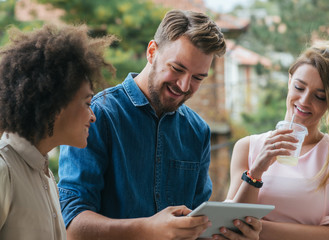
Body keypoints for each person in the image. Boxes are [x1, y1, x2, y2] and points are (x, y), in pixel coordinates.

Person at [58, 9, 262, 240]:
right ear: (152, 51)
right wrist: (147, 229)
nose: (184, 86)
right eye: (177, 69)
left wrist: (229, 234)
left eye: (198, 78)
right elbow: (72, 226)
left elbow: (196, 225)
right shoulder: (97, 115)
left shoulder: (198, 131)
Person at [226, 40, 329, 239]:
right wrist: (256, 171)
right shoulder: (247, 147)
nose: (305, 101)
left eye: (320, 96)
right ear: (289, 81)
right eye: (299, 87)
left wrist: (260, 230)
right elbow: (229, 224)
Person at [0, 24, 115, 240]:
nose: (93, 116)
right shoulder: (4, 170)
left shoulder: (45, 175)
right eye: (87, 103)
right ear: (54, 104)